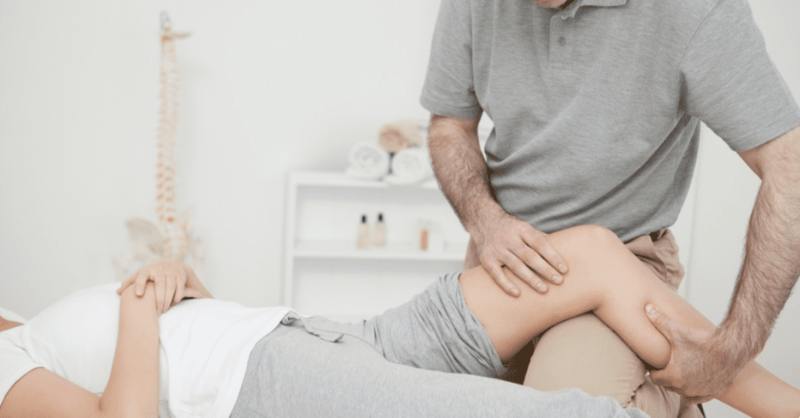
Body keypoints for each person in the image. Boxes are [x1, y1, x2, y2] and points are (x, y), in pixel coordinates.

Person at [420, 0, 800, 415]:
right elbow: (450, 123)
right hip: (505, 261)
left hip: (623, 269)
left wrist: (735, 348)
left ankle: (661, 391)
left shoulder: (696, 10)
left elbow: (790, 167)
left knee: (559, 410)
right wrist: (486, 222)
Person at [1, 225, 799, 418]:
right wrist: (138, 311)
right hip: (271, 386)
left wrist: (183, 284)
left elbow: (190, 341)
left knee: (588, 255)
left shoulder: (26, 325)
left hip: (313, 334)